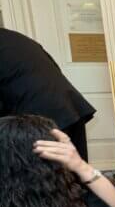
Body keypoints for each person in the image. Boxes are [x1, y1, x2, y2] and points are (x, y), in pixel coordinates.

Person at [0, 28, 96, 161]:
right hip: (68, 107)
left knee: (39, 177)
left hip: (37, 117)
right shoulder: (12, 37)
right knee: (75, 171)